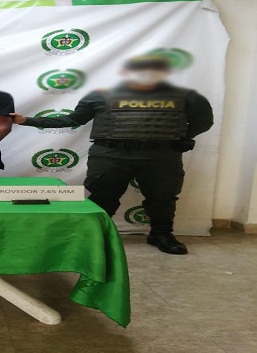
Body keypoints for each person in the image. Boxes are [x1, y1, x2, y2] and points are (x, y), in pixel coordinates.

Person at [11, 55, 213, 255]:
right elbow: (73, 119)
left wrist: (183, 137)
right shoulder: (100, 96)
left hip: (161, 155)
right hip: (110, 155)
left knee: (163, 198)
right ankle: (96, 235)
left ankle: (161, 234)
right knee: (103, 196)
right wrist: (26, 120)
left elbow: (204, 121)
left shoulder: (186, 97)